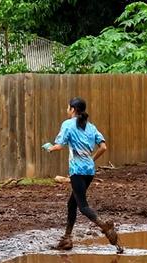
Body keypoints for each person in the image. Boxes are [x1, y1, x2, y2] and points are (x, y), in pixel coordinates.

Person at [47, 97, 122, 253]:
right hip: (89, 171)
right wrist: (91, 160)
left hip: (77, 171)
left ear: (73, 109)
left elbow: (59, 145)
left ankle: (105, 227)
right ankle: (67, 239)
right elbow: (103, 147)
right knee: (71, 203)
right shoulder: (91, 127)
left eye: (67, 108)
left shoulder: (68, 124)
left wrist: (49, 148)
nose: (66, 110)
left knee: (83, 206)